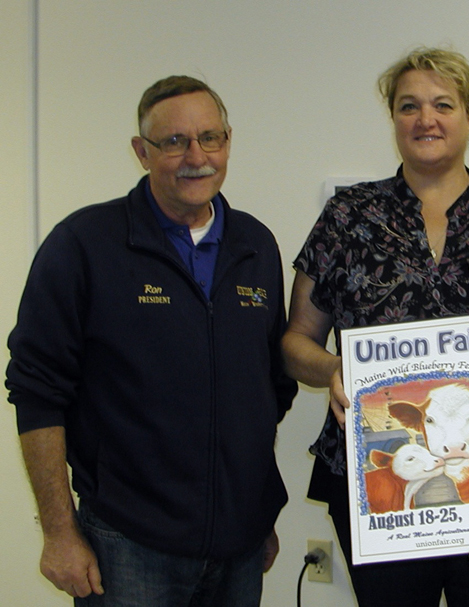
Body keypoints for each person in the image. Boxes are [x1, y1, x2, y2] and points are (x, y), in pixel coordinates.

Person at [281, 47, 469, 606]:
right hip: (383, 479)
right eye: (409, 106)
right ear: (392, 117)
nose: (426, 119)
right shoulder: (348, 216)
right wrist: (336, 369)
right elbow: (295, 342)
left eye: (443, 104)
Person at [6, 75, 297, 606]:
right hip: (127, 543)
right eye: (173, 142)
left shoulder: (255, 244)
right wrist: (59, 532)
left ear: (228, 141)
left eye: (210, 137)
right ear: (141, 152)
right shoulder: (84, 245)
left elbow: (268, 390)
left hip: (240, 545)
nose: (196, 156)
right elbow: (36, 394)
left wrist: (253, 513)